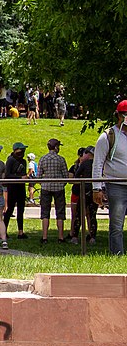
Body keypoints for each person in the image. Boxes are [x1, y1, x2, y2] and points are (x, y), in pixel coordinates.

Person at [93, 99, 127, 256]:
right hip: (116, 185)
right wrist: (96, 188)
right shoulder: (107, 136)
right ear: (120, 116)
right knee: (116, 224)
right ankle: (117, 254)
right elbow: (97, 163)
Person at [37, 138, 68, 244]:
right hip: (59, 188)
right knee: (60, 212)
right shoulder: (61, 159)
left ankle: (44, 237)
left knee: (45, 213)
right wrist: (61, 184)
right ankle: (60, 237)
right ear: (56, 147)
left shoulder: (43, 159)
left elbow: (39, 176)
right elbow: (66, 176)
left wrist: (44, 183)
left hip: (45, 188)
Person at [2, 141, 29, 240]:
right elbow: (7, 175)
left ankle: (20, 232)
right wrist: (20, 178)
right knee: (10, 209)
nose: (23, 152)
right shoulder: (11, 160)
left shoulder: (23, 161)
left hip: (21, 188)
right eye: (21, 150)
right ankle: (3, 231)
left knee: (21, 210)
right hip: (12, 188)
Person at [71, 146, 98, 245]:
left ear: (89, 154)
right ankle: (92, 237)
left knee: (79, 213)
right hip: (94, 189)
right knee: (92, 214)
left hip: (84, 190)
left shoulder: (84, 164)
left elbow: (76, 175)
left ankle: (75, 236)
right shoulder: (97, 164)